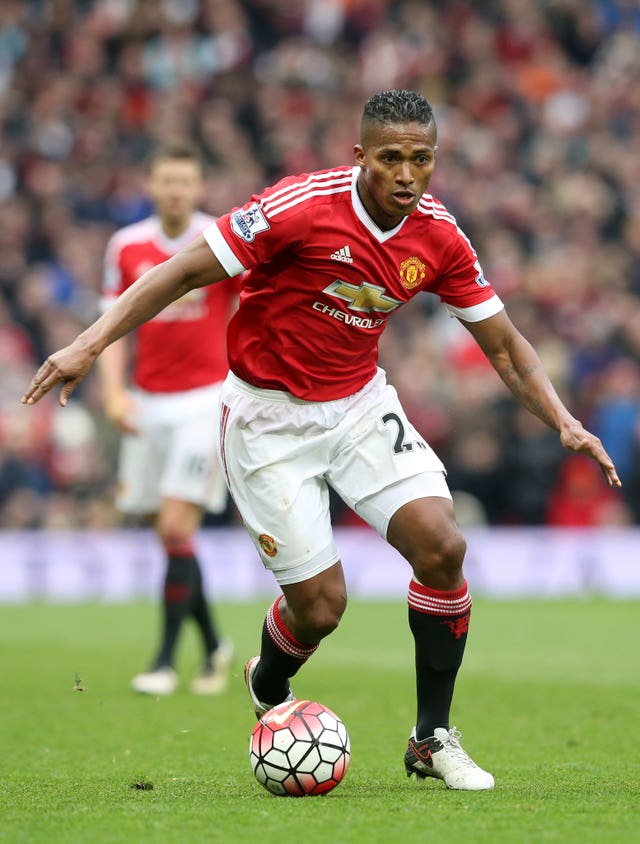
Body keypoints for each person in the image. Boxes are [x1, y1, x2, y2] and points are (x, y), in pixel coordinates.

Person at [22, 90, 620, 788]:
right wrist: (89, 345)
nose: (406, 174)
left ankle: (431, 738)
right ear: (359, 155)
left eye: (421, 160)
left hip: (359, 406)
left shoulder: (441, 237)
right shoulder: (299, 206)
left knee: (443, 545)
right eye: (391, 158)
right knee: (321, 608)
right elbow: (182, 270)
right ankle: (268, 680)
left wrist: (563, 421)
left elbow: (508, 348)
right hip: (265, 420)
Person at [99, 144, 237, 696]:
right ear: (151, 185)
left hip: (205, 400)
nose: (176, 189)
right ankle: (214, 647)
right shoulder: (126, 245)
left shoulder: (220, 241)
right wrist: (113, 395)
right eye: (166, 180)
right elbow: (111, 324)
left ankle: (162, 663)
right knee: (169, 536)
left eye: (185, 180)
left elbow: (248, 307)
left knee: (177, 527)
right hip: (147, 402)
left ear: (199, 187)